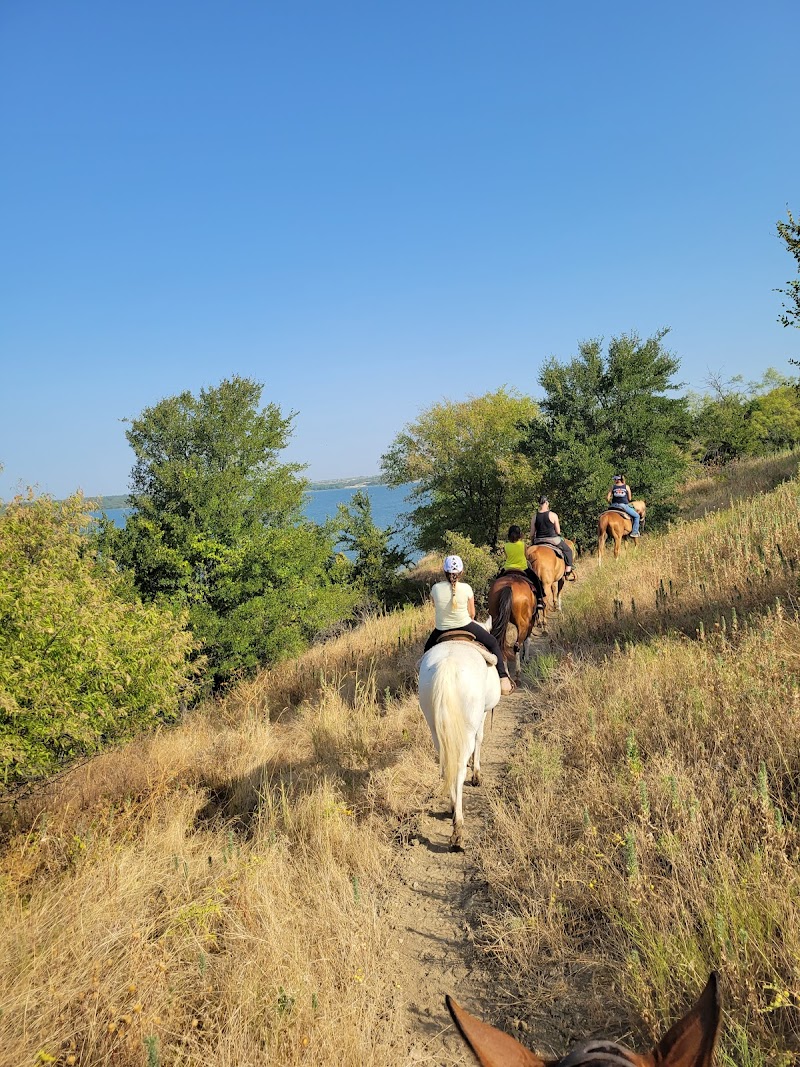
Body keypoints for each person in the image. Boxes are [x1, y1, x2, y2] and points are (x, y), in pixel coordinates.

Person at [423, 555, 513, 694]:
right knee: (493, 642)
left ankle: (421, 680)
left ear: (444, 572)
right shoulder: (466, 588)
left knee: (426, 652)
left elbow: (436, 607)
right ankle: (503, 678)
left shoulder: (435, 588)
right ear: (461, 572)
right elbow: (472, 614)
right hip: (465, 625)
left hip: (441, 629)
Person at [530, 497, 575, 578]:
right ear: (547, 503)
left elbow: (532, 533)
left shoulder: (534, 517)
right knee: (568, 550)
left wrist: (532, 541)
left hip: (538, 540)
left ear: (539, 504)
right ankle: (568, 571)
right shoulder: (553, 515)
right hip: (552, 539)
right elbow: (558, 531)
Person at [498, 524, 544, 593]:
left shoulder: (505, 546)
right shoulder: (523, 544)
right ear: (519, 535)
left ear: (509, 535)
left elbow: (507, 557)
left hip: (508, 568)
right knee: (537, 581)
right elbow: (526, 557)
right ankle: (540, 596)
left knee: (496, 580)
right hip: (522, 568)